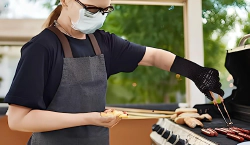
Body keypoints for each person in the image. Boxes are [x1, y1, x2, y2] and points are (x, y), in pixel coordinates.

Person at [4, 0, 224, 144]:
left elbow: (155, 56)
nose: (99, 16)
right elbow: (18, 119)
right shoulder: (42, 47)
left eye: (104, 10)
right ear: (65, 1)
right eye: (91, 9)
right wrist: (90, 118)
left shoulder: (103, 43)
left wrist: (196, 73)